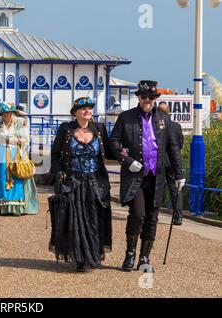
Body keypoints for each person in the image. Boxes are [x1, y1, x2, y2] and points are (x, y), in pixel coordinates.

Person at [110, 80, 185, 272]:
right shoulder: (126, 118)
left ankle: (144, 257)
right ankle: (130, 254)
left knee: (152, 218)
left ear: (155, 99)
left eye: (151, 97)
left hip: (157, 176)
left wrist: (179, 173)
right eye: (144, 97)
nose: (147, 100)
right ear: (138, 97)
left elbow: (173, 147)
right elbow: (114, 142)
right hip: (136, 176)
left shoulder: (163, 119)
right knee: (137, 214)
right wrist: (127, 161)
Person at [49, 97, 113, 272]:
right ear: (75, 112)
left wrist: (126, 154)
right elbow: (55, 154)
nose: (87, 111)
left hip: (95, 181)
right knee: (76, 219)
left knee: (94, 219)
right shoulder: (66, 129)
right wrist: (58, 171)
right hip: (73, 181)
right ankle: (80, 257)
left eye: (89, 108)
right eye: (83, 108)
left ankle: (92, 255)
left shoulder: (99, 129)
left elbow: (110, 150)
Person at [0, 102, 38, 215]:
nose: (5, 115)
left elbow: (25, 140)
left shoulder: (19, 124)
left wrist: (15, 141)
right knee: (1, 176)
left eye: (7, 113)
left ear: (12, 113)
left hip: (15, 154)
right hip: (0, 154)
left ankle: (16, 206)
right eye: (3, 113)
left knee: (16, 174)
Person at [157, 101, 185, 226]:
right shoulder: (176, 126)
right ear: (169, 112)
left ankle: (155, 215)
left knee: (158, 189)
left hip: (159, 162)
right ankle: (178, 217)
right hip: (173, 162)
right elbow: (180, 144)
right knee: (175, 191)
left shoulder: (156, 124)